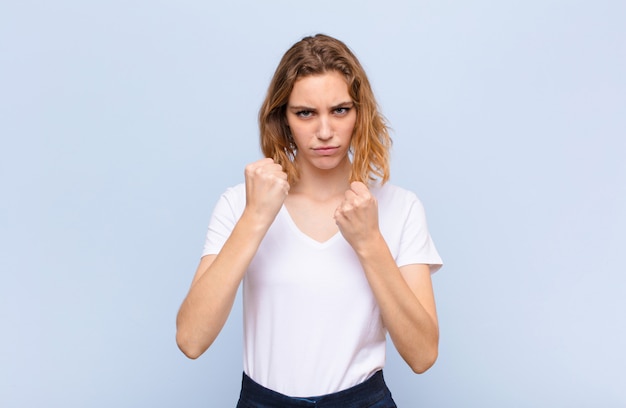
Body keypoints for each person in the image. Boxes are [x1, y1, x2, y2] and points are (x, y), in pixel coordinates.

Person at [176, 33, 442, 407]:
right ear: (283, 118)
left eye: (340, 110)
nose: (324, 131)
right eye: (305, 113)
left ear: (360, 114)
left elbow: (423, 355)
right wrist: (255, 218)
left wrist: (369, 242)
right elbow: (190, 339)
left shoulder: (400, 207)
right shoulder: (240, 204)